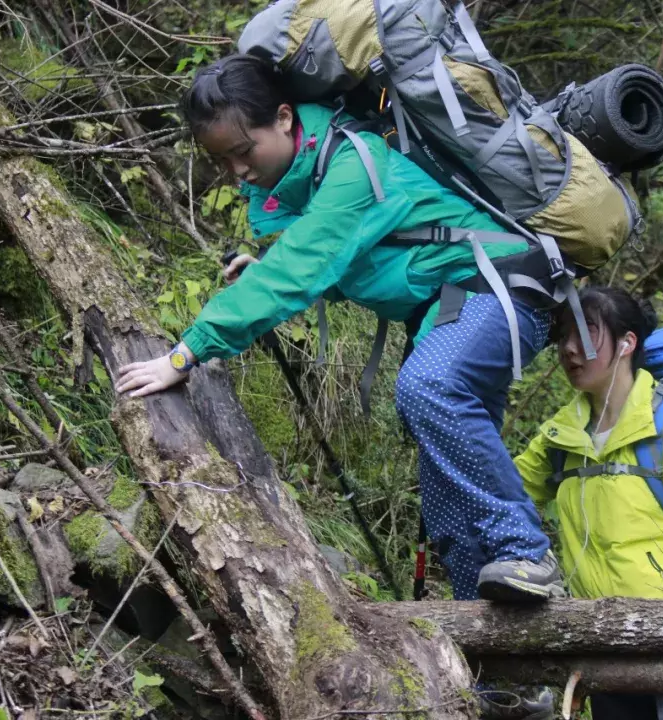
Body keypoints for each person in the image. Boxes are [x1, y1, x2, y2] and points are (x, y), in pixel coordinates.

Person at [113, 54, 562, 603]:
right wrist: (275, 272)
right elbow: (345, 261)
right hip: (449, 307)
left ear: (283, 118)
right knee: (445, 496)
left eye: (243, 150)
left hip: (497, 287)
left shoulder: (356, 162)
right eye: (222, 159)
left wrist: (185, 354)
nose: (237, 170)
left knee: (428, 387)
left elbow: (302, 265)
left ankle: (527, 553)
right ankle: (502, 666)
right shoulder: (318, 178)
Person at [514, 286, 663, 720]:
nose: (569, 349)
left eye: (585, 332)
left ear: (626, 343)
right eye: (563, 336)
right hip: (603, 650)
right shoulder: (559, 440)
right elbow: (506, 493)